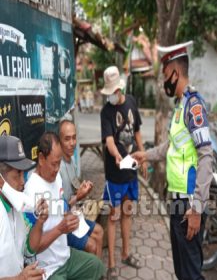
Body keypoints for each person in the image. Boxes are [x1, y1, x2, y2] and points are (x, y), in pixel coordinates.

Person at [133, 41, 213, 280]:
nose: (163, 81)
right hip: (177, 202)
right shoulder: (180, 106)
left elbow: (206, 156)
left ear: (176, 73)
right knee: (182, 272)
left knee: (190, 274)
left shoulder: (194, 106)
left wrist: (197, 208)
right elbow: (172, 146)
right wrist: (145, 155)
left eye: (165, 75)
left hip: (189, 205)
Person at [24, 132, 105, 280]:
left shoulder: (56, 178)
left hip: (66, 256)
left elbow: (61, 208)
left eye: (59, 163)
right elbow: (32, 249)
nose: (57, 169)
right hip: (48, 269)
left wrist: (72, 213)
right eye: (53, 164)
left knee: (97, 266)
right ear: (41, 159)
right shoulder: (31, 191)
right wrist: (61, 228)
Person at [100, 66, 147, 280]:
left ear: (120, 88)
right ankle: (111, 266)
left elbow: (136, 130)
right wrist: (115, 155)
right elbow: (109, 140)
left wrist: (143, 155)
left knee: (127, 212)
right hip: (115, 172)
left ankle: (126, 254)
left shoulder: (131, 102)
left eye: (113, 91)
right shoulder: (106, 112)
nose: (111, 96)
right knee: (113, 216)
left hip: (131, 171)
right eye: (108, 92)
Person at [0, 135, 48, 280]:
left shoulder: (16, 206)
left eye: (24, 174)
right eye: (17, 175)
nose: (23, 182)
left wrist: (40, 222)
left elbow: (28, 250)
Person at [59, 119, 104, 258]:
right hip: (62, 224)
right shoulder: (57, 168)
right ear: (59, 141)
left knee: (100, 231)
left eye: (74, 138)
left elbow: (73, 189)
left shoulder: (71, 161)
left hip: (74, 215)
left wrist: (82, 189)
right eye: (67, 139)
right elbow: (59, 209)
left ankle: (97, 272)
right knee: (92, 245)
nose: (72, 143)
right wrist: (78, 196)